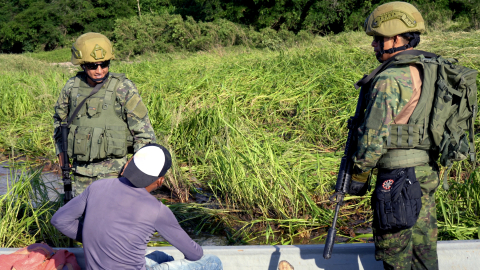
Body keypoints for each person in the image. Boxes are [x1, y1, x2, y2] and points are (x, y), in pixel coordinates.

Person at [352, 2, 440, 269]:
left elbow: (373, 138)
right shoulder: (430, 69)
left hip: (397, 180)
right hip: (425, 172)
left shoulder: (390, 78)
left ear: (397, 38)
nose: (374, 46)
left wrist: (358, 175)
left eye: (379, 40)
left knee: (396, 256)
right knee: (423, 253)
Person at [51, 143, 223, 270]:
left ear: (128, 165)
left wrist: (95, 237)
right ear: (160, 180)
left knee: (162, 256)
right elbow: (195, 255)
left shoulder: (97, 187)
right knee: (213, 261)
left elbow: (60, 220)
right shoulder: (157, 210)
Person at [53, 32, 156, 195]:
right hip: (81, 174)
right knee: (82, 218)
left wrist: (135, 167)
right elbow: (59, 122)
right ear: (82, 65)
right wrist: (61, 152)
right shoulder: (72, 87)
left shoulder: (123, 88)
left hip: (117, 174)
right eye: (93, 66)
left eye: (104, 64)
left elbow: (145, 134)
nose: (99, 71)